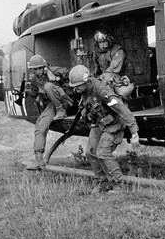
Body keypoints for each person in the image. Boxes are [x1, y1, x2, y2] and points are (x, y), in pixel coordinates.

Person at [68, 64, 140, 192]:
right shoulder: (84, 91)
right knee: (90, 153)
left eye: (78, 86)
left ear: (86, 82)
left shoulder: (102, 91)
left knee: (103, 153)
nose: (75, 89)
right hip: (100, 123)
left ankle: (119, 185)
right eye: (74, 86)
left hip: (114, 124)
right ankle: (104, 182)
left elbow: (123, 109)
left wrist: (134, 133)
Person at [22, 54, 74, 170]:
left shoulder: (54, 70)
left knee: (48, 86)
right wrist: (27, 91)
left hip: (66, 101)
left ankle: (61, 111)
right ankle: (39, 160)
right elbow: (34, 93)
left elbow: (72, 74)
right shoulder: (35, 79)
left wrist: (58, 79)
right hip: (52, 105)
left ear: (44, 66)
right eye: (35, 69)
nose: (37, 71)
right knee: (40, 126)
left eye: (39, 68)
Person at [93, 28, 134, 99]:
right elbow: (95, 68)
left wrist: (101, 80)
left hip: (117, 79)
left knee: (124, 92)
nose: (102, 45)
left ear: (109, 40)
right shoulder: (97, 52)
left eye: (104, 41)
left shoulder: (118, 51)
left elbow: (113, 69)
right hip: (103, 79)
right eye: (100, 42)